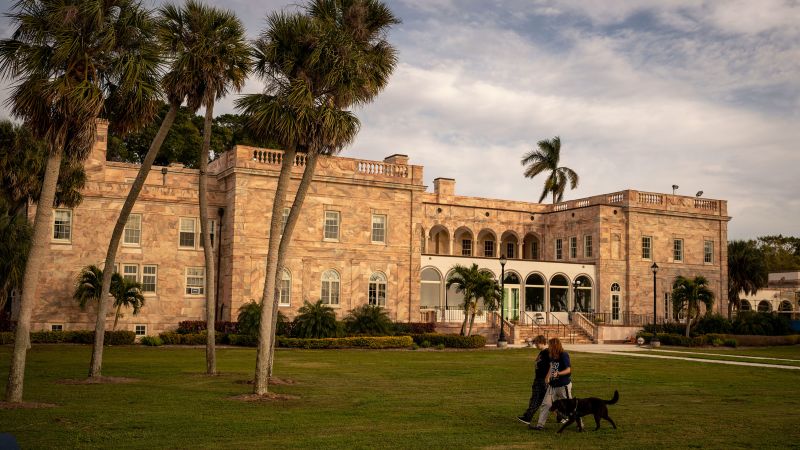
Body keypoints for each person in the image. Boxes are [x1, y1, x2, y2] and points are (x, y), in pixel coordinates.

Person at [530, 337, 582, 431]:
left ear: (555, 345)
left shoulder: (564, 355)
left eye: (550, 345)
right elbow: (552, 366)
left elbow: (568, 370)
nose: (548, 347)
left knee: (571, 407)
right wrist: (548, 377)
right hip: (552, 386)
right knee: (546, 404)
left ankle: (580, 424)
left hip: (563, 385)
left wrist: (558, 373)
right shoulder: (552, 355)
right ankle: (540, 425)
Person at [517, 335, 549, 425]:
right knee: (543, 400)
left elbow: (552, 365)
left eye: (536, 344)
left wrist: (547, 378)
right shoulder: (542, 352)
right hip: (538, 379)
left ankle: (528, 417)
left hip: (542, 380)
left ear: (542, 343)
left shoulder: (547, 353)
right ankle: (562, 417)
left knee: (536, 398)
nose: (535, 346)